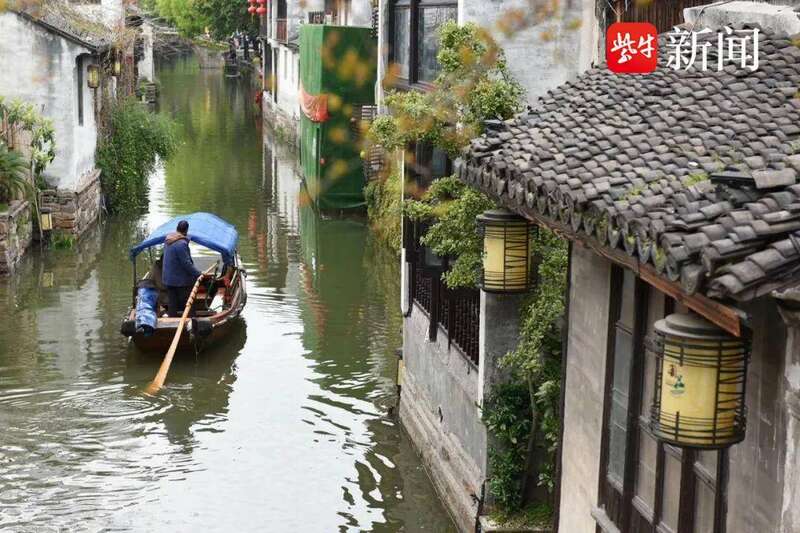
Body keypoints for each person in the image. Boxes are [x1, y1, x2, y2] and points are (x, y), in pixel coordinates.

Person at [162, 220, 202, 317]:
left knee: (172, 303)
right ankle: (191, 319)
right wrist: (199, 273)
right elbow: (186, 263)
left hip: (168, 279)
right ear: (186, 230)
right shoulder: (181, 244)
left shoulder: (168, 240)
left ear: (177, 228)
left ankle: (172, 320)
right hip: (180, 281)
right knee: (189, 301)